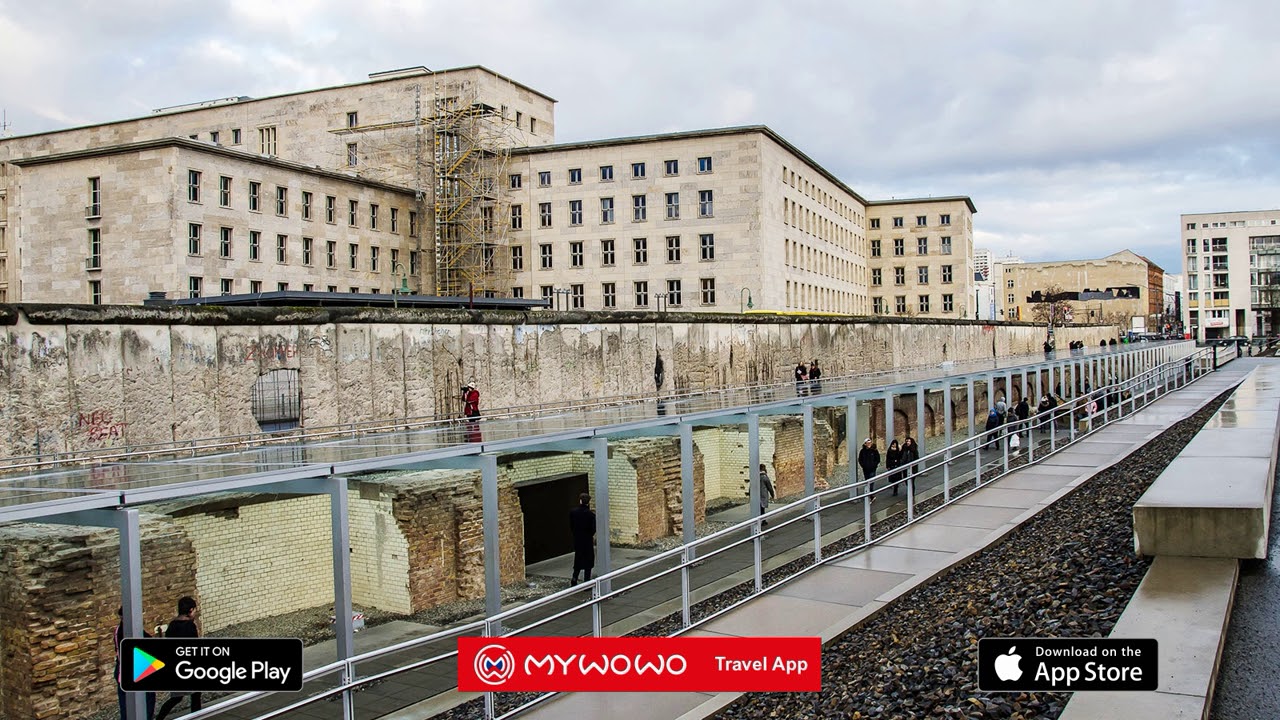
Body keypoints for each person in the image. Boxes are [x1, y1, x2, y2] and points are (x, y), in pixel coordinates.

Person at [154, 597, 200, 720]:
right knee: (195, 695)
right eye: (195, 610)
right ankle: (197, 716)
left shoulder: (172, 625)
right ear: (191, 610)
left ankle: (160, 718)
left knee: (176, 697)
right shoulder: (190, 626)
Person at [115, 607, 156, 720]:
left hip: (123, 670)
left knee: (126, 706)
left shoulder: (119, 630)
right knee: (146, 702)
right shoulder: (131, 631)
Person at [569, 493, 595, 586]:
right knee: (588, 560)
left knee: (578, 558)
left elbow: (571, 526)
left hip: (578, 539)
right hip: (587, 540)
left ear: (580, 501)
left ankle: (574, 578)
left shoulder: (573, 512)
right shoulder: (591, 515)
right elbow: (593, 529)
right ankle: (586, 582)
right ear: (588, 502)